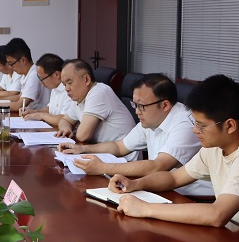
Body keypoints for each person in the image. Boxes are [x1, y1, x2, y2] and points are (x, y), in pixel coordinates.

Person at [108, 74, 239, 242]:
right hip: (237, 239)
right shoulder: (217, 145)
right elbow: (174, 178)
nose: (195, 130)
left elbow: (217, 215)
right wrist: (135, 184)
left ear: (230, 126)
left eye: (201, 126)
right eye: (195, 123)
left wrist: (145, 208)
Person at [59, 73, 210, 195]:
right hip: (162, 189)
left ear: (164, 105)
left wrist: (103, 167)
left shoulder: (185, 123)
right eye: (135, 105)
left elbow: (158, 166)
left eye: (141, 106)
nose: (137, 111)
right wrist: (83, 149)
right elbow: (119, 146)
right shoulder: (151, 118)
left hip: (192, 197)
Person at [56, 59, 136, 159]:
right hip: (101, 152)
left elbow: (83, 136)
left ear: (87, 80)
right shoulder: (79, 97)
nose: (66, 89)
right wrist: (66, 129)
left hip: (123, 158)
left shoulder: (99, 92)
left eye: (70, 83)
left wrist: (75, 129)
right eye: (64, 84)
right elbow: (65, 120)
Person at [0, 38, 47, 113]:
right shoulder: (26, 75)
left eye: (11, 63)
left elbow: (19, 105)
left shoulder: (34, 75)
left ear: (23, 60)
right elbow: (18, 97)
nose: (11, 67)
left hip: (39, 117)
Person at [22, 53, 70, 127]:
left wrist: (40, 115)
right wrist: (33, 112)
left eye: (42, 79)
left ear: (56, 74)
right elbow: (50, 109)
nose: (41, 83)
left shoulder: (69, 90)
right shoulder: (54, 87)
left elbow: (64, 119)